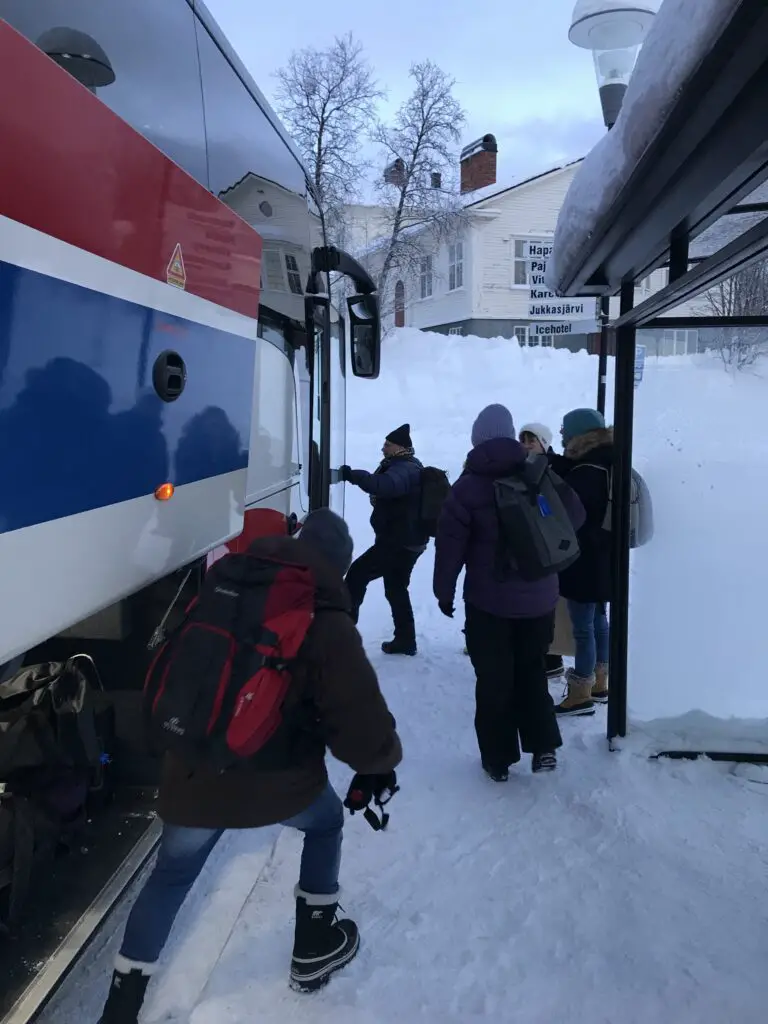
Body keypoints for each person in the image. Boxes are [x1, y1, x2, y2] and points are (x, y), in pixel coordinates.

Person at [98, 509, 402, 1024]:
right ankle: (314, 945)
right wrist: (379, 764)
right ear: (336, 565)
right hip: (276, 780)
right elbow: (358, 718)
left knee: (170, 876)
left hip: (193, 772)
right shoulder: (323, 620)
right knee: (326, 824)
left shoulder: (221, 590)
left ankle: (121, 1004)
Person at [433, 404, 584, 781]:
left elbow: (449, 547)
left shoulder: (467, 487)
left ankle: (498, 759)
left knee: (494, 680)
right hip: (539, 600)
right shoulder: (537, 472)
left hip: (489, 603)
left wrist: (444, 591)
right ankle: (544, 747)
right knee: (531, 671)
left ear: (477, 439)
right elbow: (576, 516)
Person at [341, 424, 427, 655]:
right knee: (396, 588)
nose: (383, 448)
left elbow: (385, 485)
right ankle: (405, 640)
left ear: (400, 447)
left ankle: (342, 637)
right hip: (409, 541)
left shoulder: (404, 468)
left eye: (387, 445)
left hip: (397, 542)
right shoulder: (409, 466)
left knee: (357, 575)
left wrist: (354, 476)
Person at [549, 408, 613, 716]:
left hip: (584, 558)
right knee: (598, 620)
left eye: (565, 431)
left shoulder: (586, 471)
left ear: (578, 435)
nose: (561, 436)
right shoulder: (606, 460)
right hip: (603, 556)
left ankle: (580, 693)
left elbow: (573, 515)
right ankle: (601, 682)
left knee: (583, 627)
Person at [519, 423, 565, 681]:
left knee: (549, 606)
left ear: (544, 443)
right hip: (536, 545)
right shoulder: (524, 467)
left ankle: (551, 659)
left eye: (531, 440)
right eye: (522, 440)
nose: (526, 445)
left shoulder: (551, 468)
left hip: (550, 546)